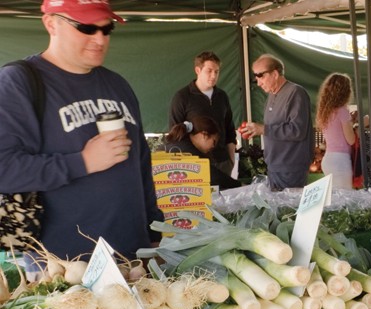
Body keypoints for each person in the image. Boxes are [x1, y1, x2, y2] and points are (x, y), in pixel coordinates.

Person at [0, 0, 162, 261]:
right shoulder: (18, 82)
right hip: (63, 267)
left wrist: (154, 226)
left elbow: (140, 162)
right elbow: (4, 169)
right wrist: (83, 161)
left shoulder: (118, 85)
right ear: (51, 23)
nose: (99, 39)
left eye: (106, 29)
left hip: (133, 255)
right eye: (86, 28)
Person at [239, 54, 313, 190]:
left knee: (289, 209)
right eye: (256, 76)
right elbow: (273, 128)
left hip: (290, 168)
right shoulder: (271, 95)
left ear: (274, 74)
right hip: (275, 167)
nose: (258, 82)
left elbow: (298, 131)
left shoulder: (295, 93)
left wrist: (264, 129)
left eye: (261, 76)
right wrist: (254, 130)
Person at [169, 51, 237, 181]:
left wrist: (231, 158)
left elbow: (229, 129)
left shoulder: (222, 96)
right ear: (197, 70)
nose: (213, 76)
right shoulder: (182, 97)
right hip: (195, 165)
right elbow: (175, 134)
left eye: (217, 71)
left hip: (223, 163)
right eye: (209, 71)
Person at [163, 116, 240, 191]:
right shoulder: (186, 150)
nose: (213, 146)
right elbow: (211, 174)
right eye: (214, 142)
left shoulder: (180, 144)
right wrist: (238, 185)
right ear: (204, 135)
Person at [315, 73, 355, 190]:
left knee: (335, 200)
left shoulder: (325, 112)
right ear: (346, 92)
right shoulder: (343, 111)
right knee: (345, 200)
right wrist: (360, 125)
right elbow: (351, 140)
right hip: (340, 161)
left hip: (328, 159)